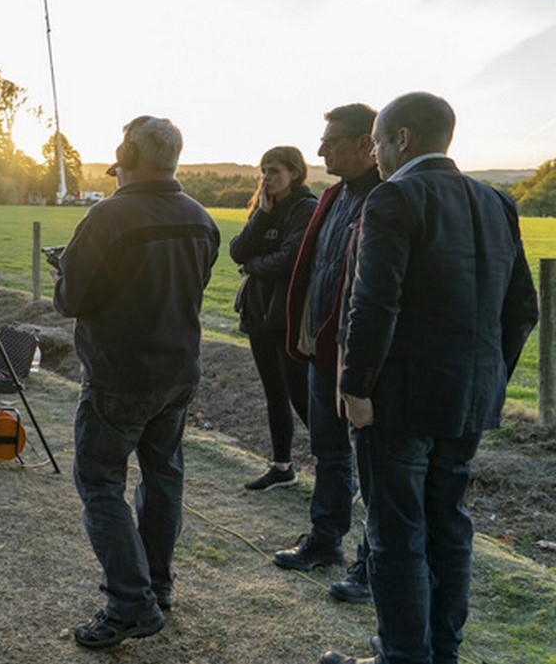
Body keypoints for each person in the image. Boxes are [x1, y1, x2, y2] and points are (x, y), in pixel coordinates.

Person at [319, 92, 538, 664]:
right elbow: (524, 309)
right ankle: (441, 651)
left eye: (377, 142)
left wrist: (355, 387)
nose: (376, 153)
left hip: (400, 400)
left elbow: (374, 303)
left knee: (396, 534)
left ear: (403, 140)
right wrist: (486, 374)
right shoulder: (497, 200)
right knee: (449, 525)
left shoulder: (394, 197)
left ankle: (401, 655)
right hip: (469, 398)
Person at [53, 116, 220, 649]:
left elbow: (71, 301)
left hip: (120, 379)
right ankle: (156, 584)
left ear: (127, 154)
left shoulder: (108, 216)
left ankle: (131, 602)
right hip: (179, 374)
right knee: (162, 478)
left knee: (101, 483)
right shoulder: (201, 217)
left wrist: (66, 271)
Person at [276, 104, 380, 600]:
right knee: (329, 453)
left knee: (376, 468)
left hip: (364, 361)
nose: (320, 150)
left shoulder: (388, 199)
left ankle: (372, 565)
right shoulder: (336, 195)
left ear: (367, 143)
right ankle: (325, 542)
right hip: (323, 353)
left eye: (331, 140)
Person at [229, 146, 317, 491]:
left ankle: (339, 469)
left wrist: (252, 266)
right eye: (264, 170)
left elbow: (290, 261)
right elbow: (237, 250)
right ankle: (282, 467)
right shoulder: (265, 209)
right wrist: (262, 217)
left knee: (302, 398)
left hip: (288, 318)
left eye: (275, 170)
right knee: (274, 395)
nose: (267, 177)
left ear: (295, 173)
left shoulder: (305, 209)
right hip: (258, 316)